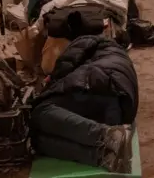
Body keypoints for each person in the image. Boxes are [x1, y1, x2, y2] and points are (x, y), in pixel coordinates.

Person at [31, 35, 139, 172]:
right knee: (37, 141)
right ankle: (105, 155)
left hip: (102, 88)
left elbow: (65, 64)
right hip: (119, 109)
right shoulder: (113, 52)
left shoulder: (88, 40)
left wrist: (51, 82)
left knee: (40, 112)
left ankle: (107, 136)